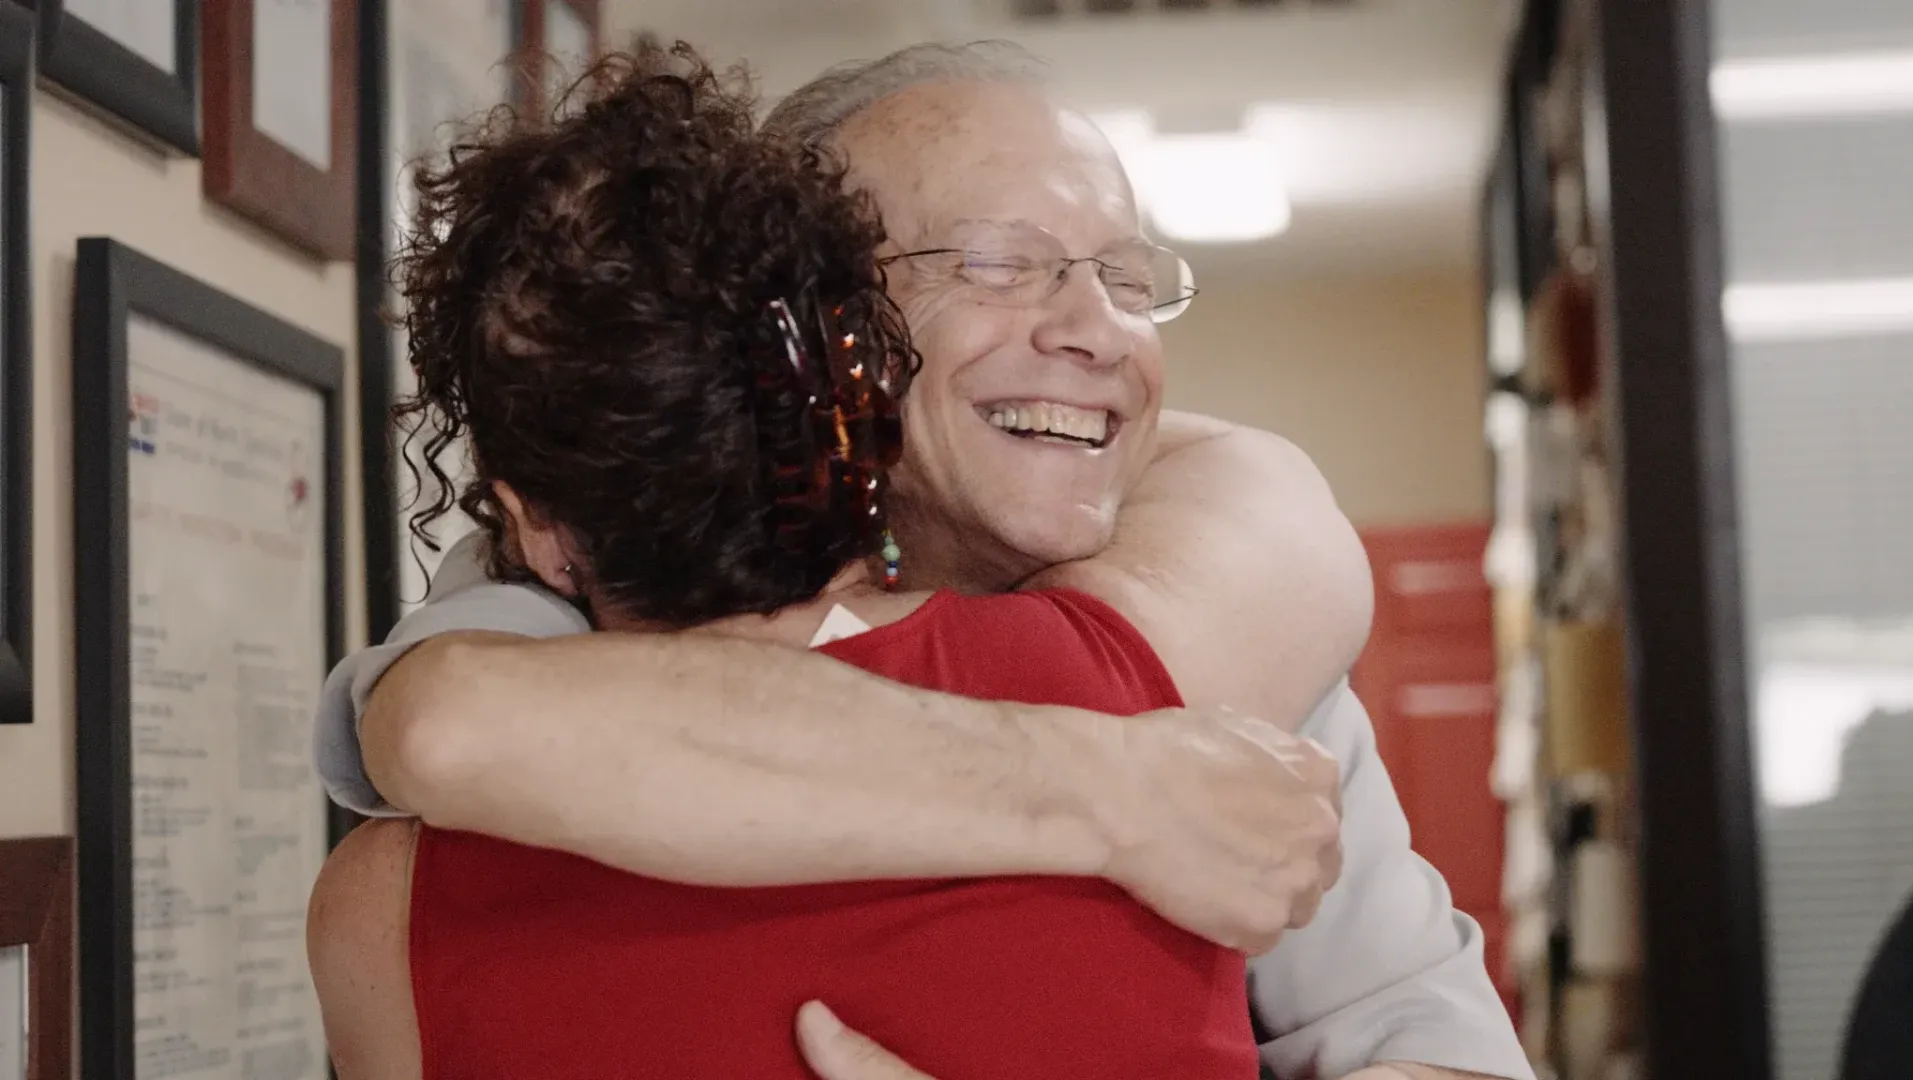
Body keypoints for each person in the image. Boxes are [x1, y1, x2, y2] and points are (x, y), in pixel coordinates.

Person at [312, 39, 1532, 1080]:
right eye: (998, 264)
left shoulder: (1234, 622)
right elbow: (451, 714)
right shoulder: (530, 630)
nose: (1097, 332)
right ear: (813, 331)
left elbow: (1447, 1045)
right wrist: (1110, 785)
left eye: (1126, 277)